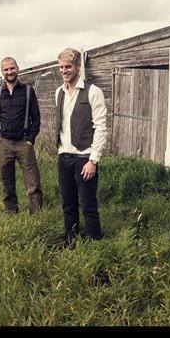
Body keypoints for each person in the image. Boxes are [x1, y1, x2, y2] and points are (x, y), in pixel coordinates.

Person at [54, 48, 107, 243]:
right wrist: (60, 151)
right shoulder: (58, 92)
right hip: (64, 155)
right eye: (61, 67)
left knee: (88, 204)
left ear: (77, 67)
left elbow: (101, 128)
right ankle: (71, 240)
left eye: (68, 67)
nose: (64, 71)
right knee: (68, 203)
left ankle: (95, 241)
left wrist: (93, 160)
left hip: (84, 156)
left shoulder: (93, 92)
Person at [0, 56, 43, 214]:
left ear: (17, 69)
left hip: (23, 142)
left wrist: (30, 140)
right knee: (6, 180)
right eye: (6, 69)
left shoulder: (28, 91)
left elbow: (36, 117)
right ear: (2, 72)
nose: (9, 71)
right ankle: (11, 211)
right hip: (3, 142)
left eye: (12, 68)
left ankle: (36, 213)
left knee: (33, 182)